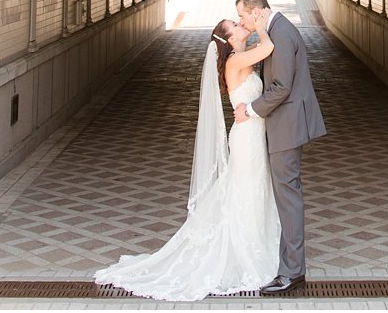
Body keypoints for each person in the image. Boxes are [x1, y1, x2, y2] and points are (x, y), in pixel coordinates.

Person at [95, 18, 280, 301]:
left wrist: (252, 30)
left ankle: (255, 245)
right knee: (246, 192)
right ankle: (246, 252)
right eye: (236, 23)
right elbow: (268, 47)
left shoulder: (241, 57)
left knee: (251, 191)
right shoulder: (236, 62)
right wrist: (260, 22)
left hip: (251, 134)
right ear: (230, 40)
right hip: (246, 139)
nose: (241, 23)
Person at [233, 0, 327, 295]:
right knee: (287, 194)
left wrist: (250, 109)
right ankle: (288, 264)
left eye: (243, 16)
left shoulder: (282, 33)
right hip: (283, 124)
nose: (242, 21)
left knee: (288, 197)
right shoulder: (273, 29)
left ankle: (292, 271)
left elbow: (282, 86)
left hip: (287, 125)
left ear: (258, 11)